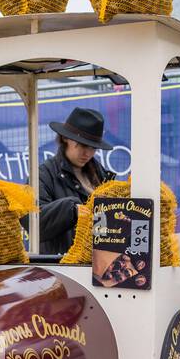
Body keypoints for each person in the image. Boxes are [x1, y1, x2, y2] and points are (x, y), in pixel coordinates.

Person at [38, 107, 115, 255]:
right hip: (61, 268)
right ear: (65, 138)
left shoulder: (102, 176)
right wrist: (71, 210)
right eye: (82, 145)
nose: (88, 153)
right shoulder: (44, 174)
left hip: (98, 265)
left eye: (93, 148)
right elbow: (34, 222)